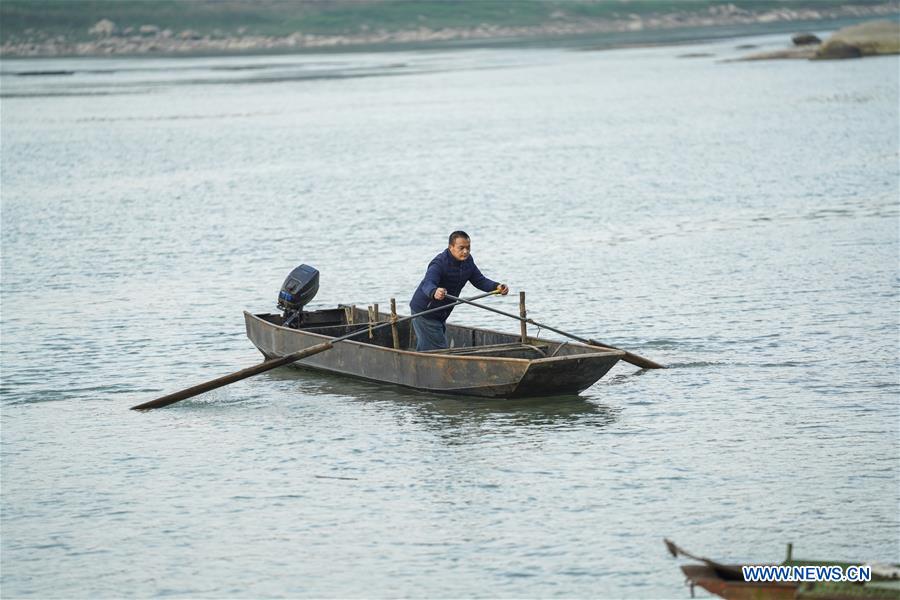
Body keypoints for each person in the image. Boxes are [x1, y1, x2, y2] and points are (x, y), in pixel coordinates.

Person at [410, 231, 509, 351]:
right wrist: (434, 291)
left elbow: (480, 280)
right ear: (450, 247)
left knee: (429, 347)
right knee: (438, 351)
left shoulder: (468, 261)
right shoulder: (439, 263)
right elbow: (428, 283)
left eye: (468, 248)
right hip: (425, 311)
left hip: (442, 312)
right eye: (461, 248)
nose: (465, 251)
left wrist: (497, 287)